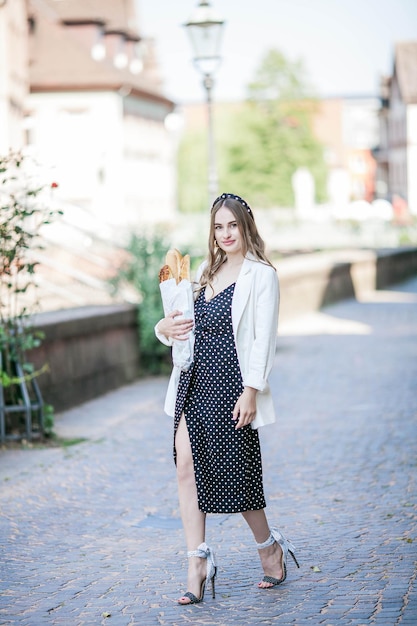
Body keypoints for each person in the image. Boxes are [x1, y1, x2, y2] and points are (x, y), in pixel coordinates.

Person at [155, 192, 299, 605]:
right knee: (186, 466)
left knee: (237, 475)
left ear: (246, 225)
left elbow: (263, 342)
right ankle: (197, 562)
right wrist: (163, 327)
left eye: (232, 225)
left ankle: (268, 546)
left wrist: (251, 391)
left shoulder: (261, 275)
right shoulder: (204, 270)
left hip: (233, 386)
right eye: (218, 227)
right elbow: (179, 326)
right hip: (194, 382)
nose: (225, 234)